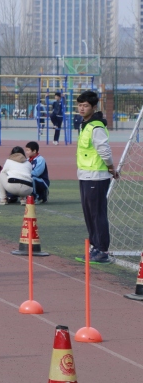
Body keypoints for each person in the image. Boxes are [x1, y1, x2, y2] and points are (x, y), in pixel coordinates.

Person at [76, 90, 117, 263]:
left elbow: (104, 150)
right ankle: (94, 246)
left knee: (97, 213)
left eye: (85, 105)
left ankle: (102, 250)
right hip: (85, 175)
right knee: (88, 213)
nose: (81, 108)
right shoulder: (84, 125)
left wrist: (111, 168)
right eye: (80, 105)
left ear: (94, 107)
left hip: (97, 176)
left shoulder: (97, 126)